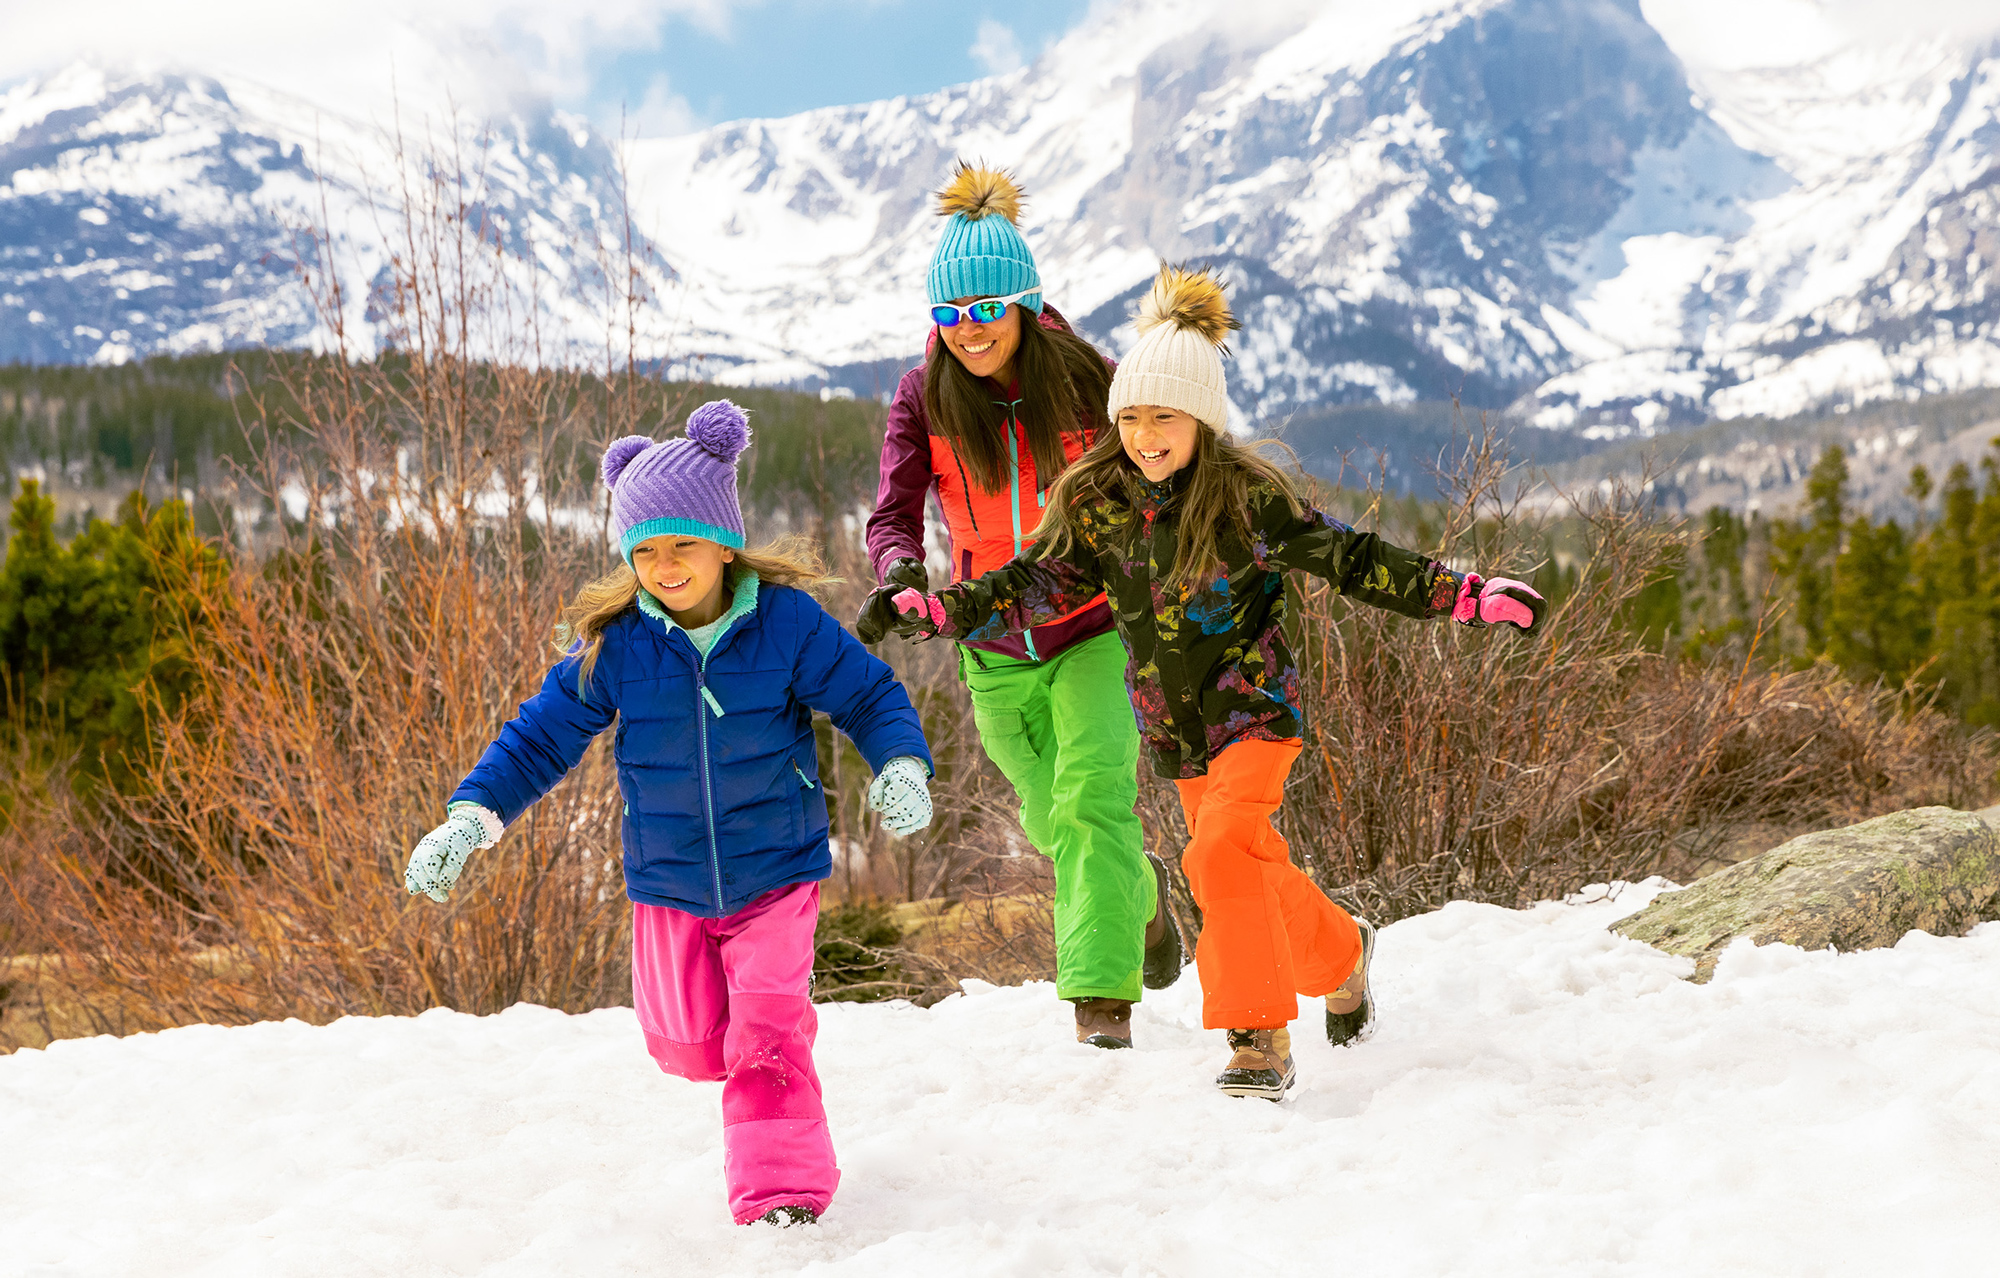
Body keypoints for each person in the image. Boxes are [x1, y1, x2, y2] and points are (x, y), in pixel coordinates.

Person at [882, 267, 1545, 1100]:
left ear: (1201, 418)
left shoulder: (1246, 499)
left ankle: (1256, 1038)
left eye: (1165, 417)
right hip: (1177, 731)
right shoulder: (1098, 502)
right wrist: (948, 613)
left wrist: (1465, 594)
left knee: (1218, 852)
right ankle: (1343, 956)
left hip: (1255, 711)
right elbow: (1036, 581)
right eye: (1129, 418)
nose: (1145, 435)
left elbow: (1354, 559)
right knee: (1246, 865)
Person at [402, 400, 936, 1223]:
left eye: (683, 543)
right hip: (669, 881)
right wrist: (471, 817)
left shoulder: (786, 624)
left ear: (723, 539)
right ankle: (755, 1089)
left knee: (767, 1037)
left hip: (777, 872)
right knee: (692, 1047)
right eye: (645, 550)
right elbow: (540, 737)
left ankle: (782, 1196)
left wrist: (900, 762)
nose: (666, 564)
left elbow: (869, 696)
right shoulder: (617, 646)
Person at [857, 162, 1181, 1050]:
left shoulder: (1092, 383)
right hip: (991, 646)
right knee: (1052, 820)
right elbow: (892, 511)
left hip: (1092, 632)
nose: (968, 332)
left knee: (1091, 805)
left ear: (1026, 306)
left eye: (985, 310)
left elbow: (1162, 470)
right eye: (950, 316)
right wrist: (898, 574)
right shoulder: (924, 394)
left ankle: (1099, 1006)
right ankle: (1142, 899)